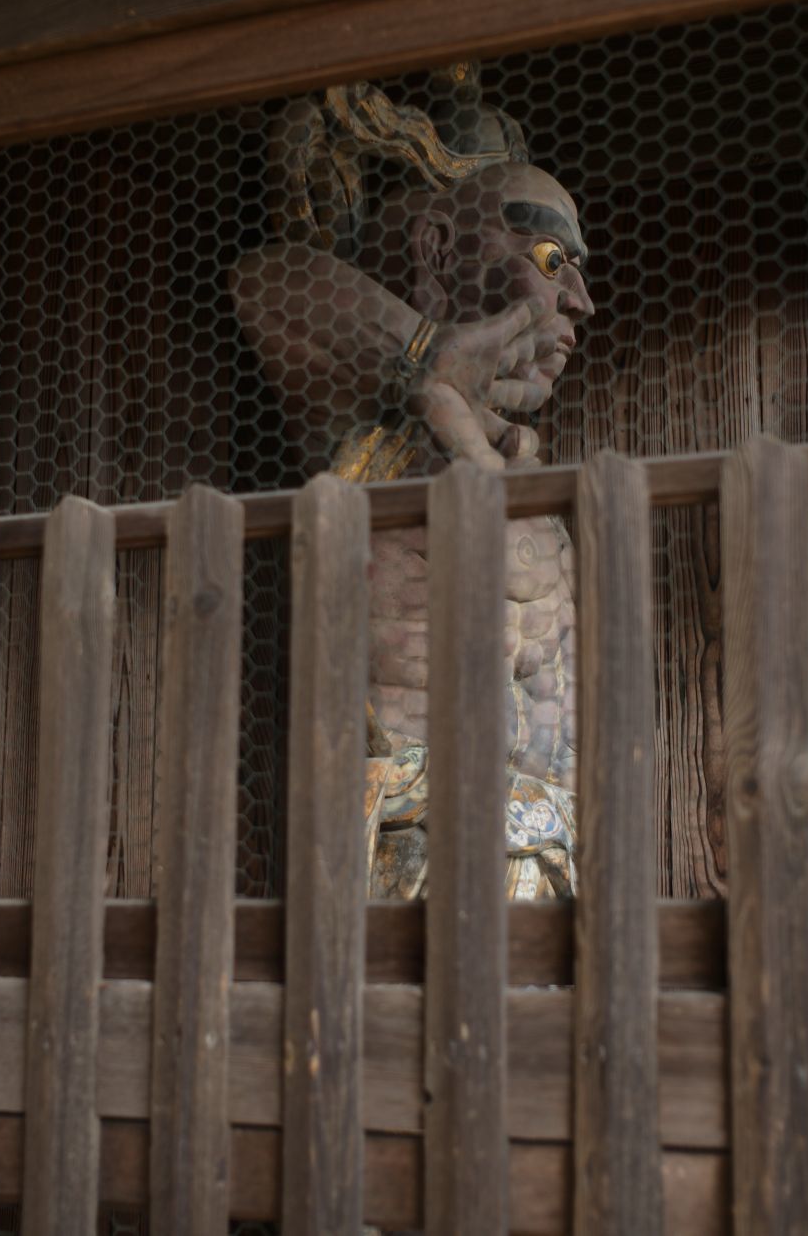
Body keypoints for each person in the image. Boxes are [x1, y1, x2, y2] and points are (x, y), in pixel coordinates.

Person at [230, 73, 594, 899]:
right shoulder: (375, 410)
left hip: (557, 867)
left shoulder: (529, 466)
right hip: (408, 860)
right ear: (436, 251)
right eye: (550, 259)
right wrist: (427, 361)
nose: (581, 299)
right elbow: (265, 282)